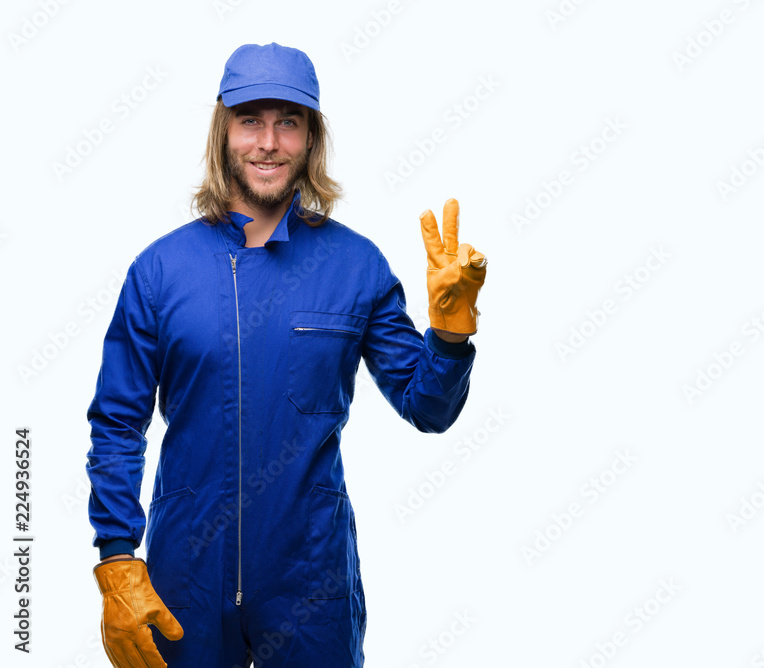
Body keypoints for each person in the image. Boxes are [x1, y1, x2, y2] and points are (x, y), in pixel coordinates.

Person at [86, 42, 487, 668]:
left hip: (311, 583)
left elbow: (427, 406)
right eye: (250, 120)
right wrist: (115, 559)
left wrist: (450, 332)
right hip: (183, 578)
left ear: (311, 138)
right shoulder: (160, 270)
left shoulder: (355, 266)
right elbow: (116, 422)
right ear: (224, 131)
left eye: (288, 122)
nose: (268, 142)